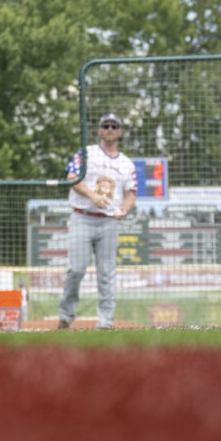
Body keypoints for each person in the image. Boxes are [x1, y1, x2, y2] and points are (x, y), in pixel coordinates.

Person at [58, 113, 137, 330]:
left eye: (114, 125)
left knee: (107, 273)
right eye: (106, 125)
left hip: (109, 222)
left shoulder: (126, 163)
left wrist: (125, 208)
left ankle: (105, 322)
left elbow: (131, 193)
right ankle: (66, 316)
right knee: (76, 269)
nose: (110, 129)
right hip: (82, 217)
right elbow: (71, 178)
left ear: (120, 131)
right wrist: (92, 195)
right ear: (99, 130)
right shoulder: (87, 153)